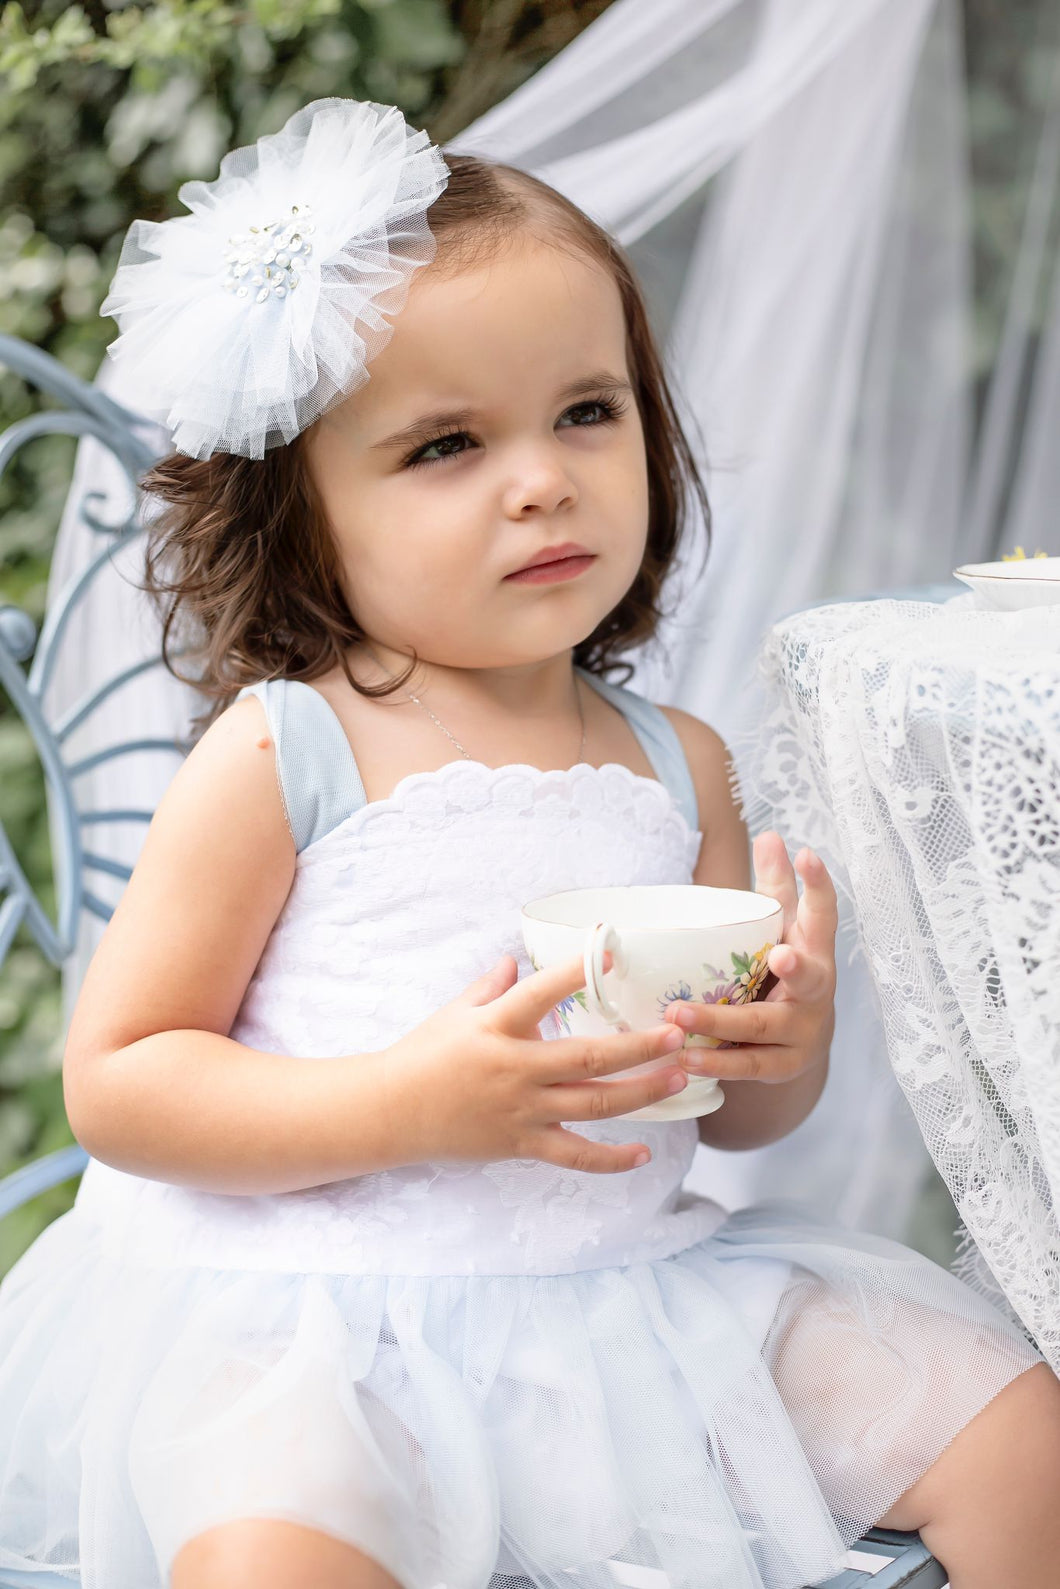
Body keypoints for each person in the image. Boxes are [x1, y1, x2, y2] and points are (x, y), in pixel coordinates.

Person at [0, 98, 1055, 1589]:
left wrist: (778, 1039)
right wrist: (406, 1102)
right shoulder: (287, 751)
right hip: (322, 1338)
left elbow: (733, 1120)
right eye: (444, 444)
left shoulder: (672, 760)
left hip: (624, 1302)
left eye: (587, 411)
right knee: (271, 1559)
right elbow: (123, 1080)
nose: (544, 478)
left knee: (1023, 1433)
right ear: (302, 515)